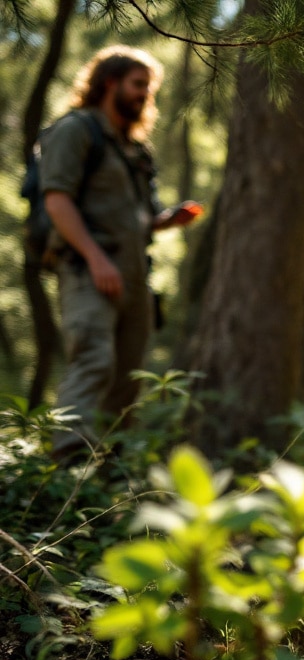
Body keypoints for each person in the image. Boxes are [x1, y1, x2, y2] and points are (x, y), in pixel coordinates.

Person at [39, 45, 201, 463]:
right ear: (108, 82)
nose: (144, 94)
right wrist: (95, 258)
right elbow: (57, 201)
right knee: (93, 360)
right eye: (137, 84)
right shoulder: (76, 130)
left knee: (127, 377)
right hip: (87, 270)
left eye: (149, 88)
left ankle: (110, 472)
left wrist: (167, 221)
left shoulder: (134, 151)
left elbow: (139, 220)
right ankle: (68, 467)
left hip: (133, 277)